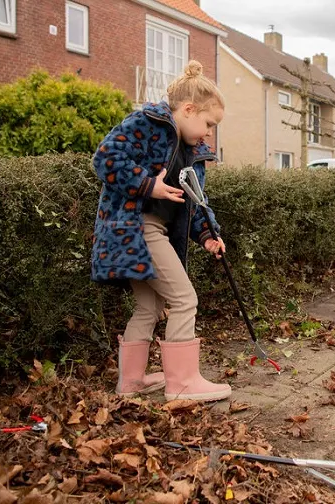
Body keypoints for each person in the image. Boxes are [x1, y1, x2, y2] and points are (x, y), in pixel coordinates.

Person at [91, 60, 231, 402]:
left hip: (150, 233)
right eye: (208, 123)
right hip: (136, 230)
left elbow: (195, 200)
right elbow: (105, 158)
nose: (210, 132)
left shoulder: (193, 152)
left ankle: (131, 383)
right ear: (188, 109)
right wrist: (147, 184)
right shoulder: (147, 123)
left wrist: (207, 234)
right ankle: (182, 384)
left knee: (148, 309)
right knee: (185, 300)